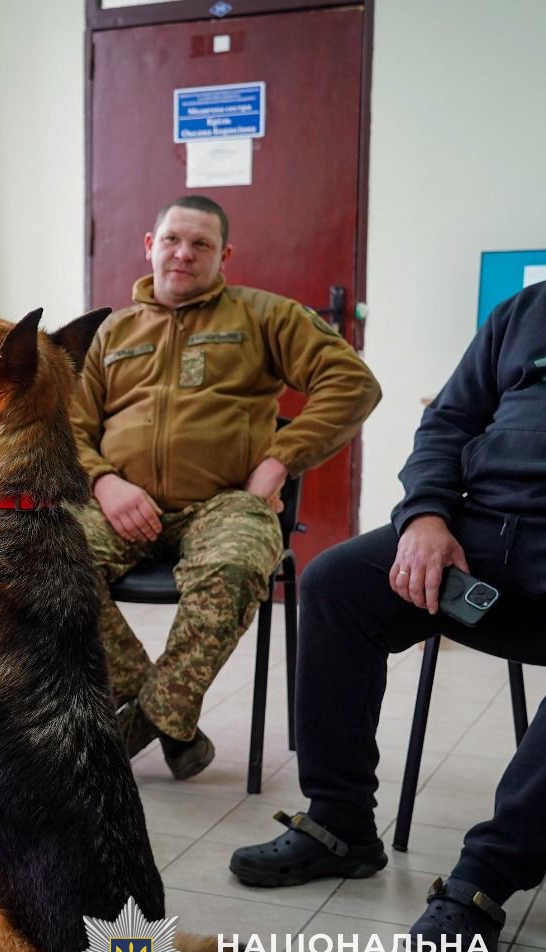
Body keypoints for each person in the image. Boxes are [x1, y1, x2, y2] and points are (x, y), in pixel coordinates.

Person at [230, 140, 546, 952]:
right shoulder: (523, 313)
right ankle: (339, 823)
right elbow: (448, 423)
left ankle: (482, 881)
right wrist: (426, 514)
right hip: (479, 530)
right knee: (336, 584)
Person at [72, 194, 381, 779]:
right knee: (40, 559)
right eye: (172, 240)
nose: (183, 254)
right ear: (150, 245)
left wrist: (280, 461)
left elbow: (352, 383)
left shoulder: (264, 316)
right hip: (120, 505)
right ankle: (170, 717)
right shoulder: (109, 332)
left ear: (225, 255)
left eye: (201, 244)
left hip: (225, 505)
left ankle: (134, 727)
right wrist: (104, 481)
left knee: (237, 564)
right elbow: (69, 426)